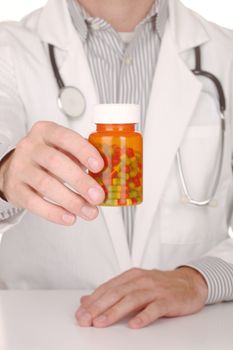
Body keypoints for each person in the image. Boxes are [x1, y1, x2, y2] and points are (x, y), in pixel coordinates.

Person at [0, 0, 232, 329]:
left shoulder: (226, 55)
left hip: (190, 334)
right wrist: (6, 175)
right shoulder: (7, 49)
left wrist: (201, 279)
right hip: (46, 333)